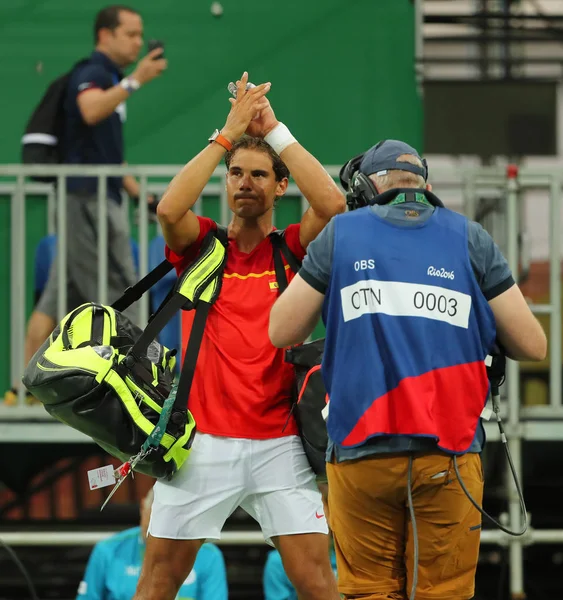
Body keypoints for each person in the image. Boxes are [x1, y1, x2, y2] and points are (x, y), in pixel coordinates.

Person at [269, 140, 547, 599]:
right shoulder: (469, 237)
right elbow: (532, 345)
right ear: (426, 187)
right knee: (443, 592)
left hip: (361, 452)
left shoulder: (341, 234)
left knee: (370, 591)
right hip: (450, 453)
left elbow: (281, 331)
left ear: (367, 188)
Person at [133, 72, 345, 600]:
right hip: (200, 445)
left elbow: (334, 204)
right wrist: (226, 134)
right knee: (158, 583)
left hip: (280, 447)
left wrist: (274, 131)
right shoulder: (200, 245)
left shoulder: (294, 249)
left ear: (279, 186)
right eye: (235, 174)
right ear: (225, 182)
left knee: (317, 583)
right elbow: (167, 209)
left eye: (257, 174)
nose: (244, 183)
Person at [6, 5, 165, 404]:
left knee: (59, 292)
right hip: (84, 200)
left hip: (98, 198)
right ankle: (132, 383)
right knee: (116, 287)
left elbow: (107, 156)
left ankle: (23, 387)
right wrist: (135, 82)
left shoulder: (108, 79)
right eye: (130, 33)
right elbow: (90, 110)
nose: (138, 42)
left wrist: (136, 193)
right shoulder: (94, 74)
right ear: (105, 36)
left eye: (140, 33)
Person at [76, 488, 228, 600]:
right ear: (143, 508)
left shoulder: (209, 555)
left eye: (168, 521)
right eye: (154, 516)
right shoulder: (107, 550)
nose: (158, 528)